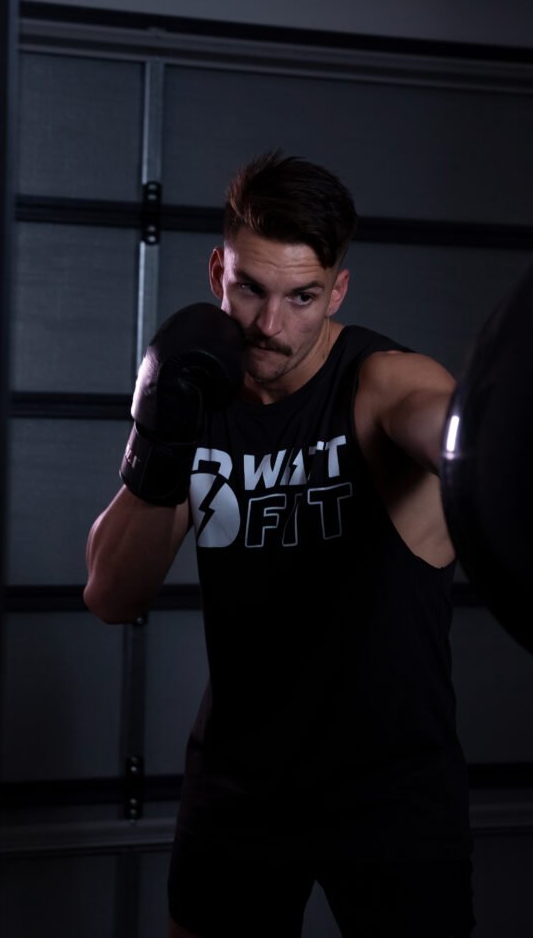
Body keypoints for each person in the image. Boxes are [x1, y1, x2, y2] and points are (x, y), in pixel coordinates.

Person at [84, 150, 475, 937]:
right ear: (216, 270)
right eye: (250, 290)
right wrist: (159, 443)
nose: (271, 326)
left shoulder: (383, 383)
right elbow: (110, 596)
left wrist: (488, 451)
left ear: (337, 290)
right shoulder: (200, 396)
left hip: (391, 786)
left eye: (302, 298)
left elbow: (456, 434)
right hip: (239, 783)